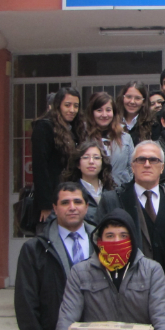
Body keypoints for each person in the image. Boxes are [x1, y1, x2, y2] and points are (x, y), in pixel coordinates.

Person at [51, 208, 165, 330]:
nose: (117, 241)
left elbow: (162, 321)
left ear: (132, 239)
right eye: (110, 236)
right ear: (99, 240)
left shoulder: (151, 271)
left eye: (123, 235)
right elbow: (66, 319)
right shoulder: (81, 272)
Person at [15, 183, 94, 330]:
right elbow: (26, 304)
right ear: (55, 208)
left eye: (77, 202)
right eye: (65, 202)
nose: (72, 207)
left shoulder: (103, 242)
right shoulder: (34, 250)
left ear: (86, 206)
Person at [95, 140, 165, 276]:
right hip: (128, 286)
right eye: (141, 160)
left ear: (162, 167)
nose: (147, 165)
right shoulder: (113, 200)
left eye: (153, 160)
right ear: (132, 166)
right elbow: (100, 246)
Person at [32, 87, 86, 222]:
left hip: (71, 194)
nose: (72, 110)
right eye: (67, 105)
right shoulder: (44, 127)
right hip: (52, 199)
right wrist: (45, 204)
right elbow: (40, 166)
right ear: (58, 106)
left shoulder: (75, 129)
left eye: (76, 106)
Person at [85, 91, 134, 187]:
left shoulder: (125, 138)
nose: (104, 115)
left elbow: (132, 167)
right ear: (92, 113)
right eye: (99, 110)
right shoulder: (84, 137)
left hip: (121, 191)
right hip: (93, 192)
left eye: (108, 110)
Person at [63, 140, 116, 226]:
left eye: (96, 158)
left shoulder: (112, 190)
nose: (91, 161)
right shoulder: (68, 192)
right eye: (86, 157)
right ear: (78, 164)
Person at [116, 81, 158, 145]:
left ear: (144, 102)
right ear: (123, 98)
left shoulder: (152, 123)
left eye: (137, 98)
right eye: (129, 97)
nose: (132, 101)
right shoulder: (113, 120)